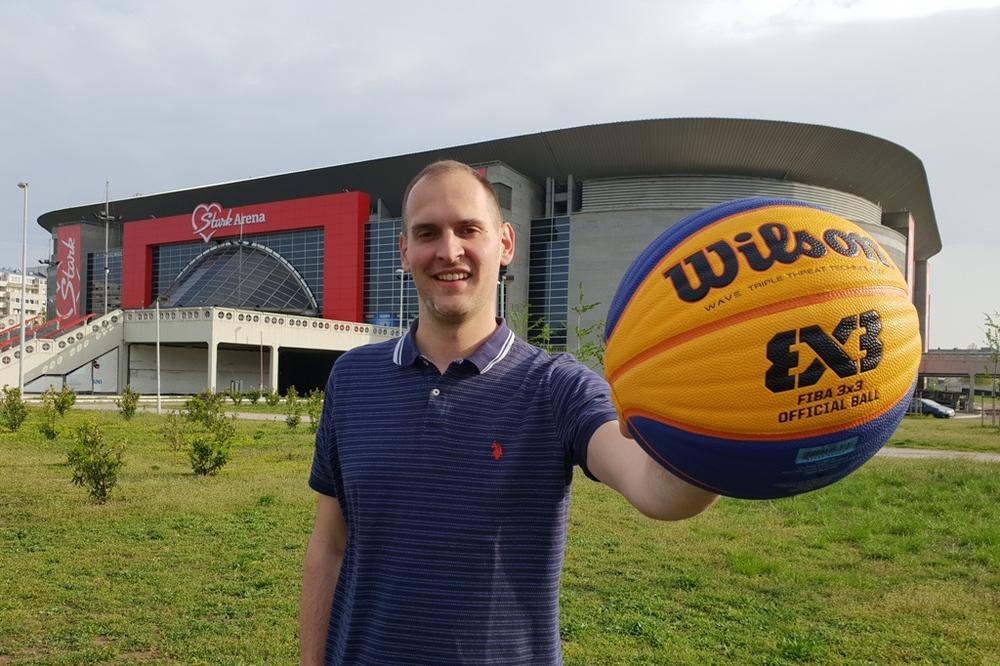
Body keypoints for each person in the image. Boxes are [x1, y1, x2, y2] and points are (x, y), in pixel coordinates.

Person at [300, 160, 718, 665]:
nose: (448, 250)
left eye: (468, 229)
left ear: (505, 244)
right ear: (405, 251)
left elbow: (658, 491)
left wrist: (721, 413)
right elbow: (329, 544)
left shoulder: (557, 386)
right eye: (427, 232)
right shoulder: (352, 378)